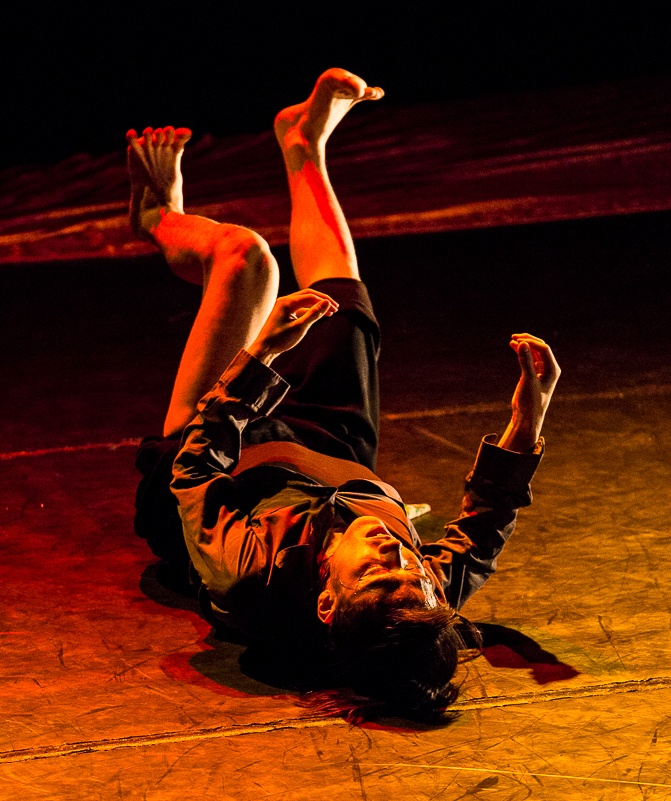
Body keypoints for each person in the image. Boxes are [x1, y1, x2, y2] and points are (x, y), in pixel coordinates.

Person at [129, 68, 560, 722]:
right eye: (416, 571)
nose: (399, 552)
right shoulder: (418, 597)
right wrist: (528, 418)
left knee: (248, 261)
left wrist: (262, 356)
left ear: (326, 600)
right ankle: (303, 142)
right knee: (343, 308)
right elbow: (486, 523)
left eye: (378, 570)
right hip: (333, 456)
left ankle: (156, 215)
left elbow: (195, 470)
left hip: (217, 453)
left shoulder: (253, 576)